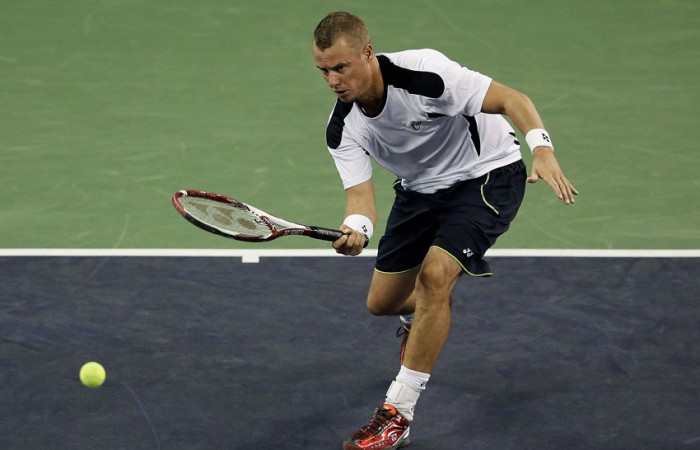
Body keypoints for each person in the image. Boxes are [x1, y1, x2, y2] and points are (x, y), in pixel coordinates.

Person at [312, 11, 578, 450]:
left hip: (486, 173)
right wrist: (355, 228)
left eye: (341, 67)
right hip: (419, 190)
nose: (333, 81)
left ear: (367, 53)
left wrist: (542, 149)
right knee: (382, 303)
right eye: (323, 70)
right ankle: (425, 318)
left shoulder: (425, 74)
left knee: (435, 276)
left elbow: (512, 99)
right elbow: (360, 200)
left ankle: (397, 414)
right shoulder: (343, 128)